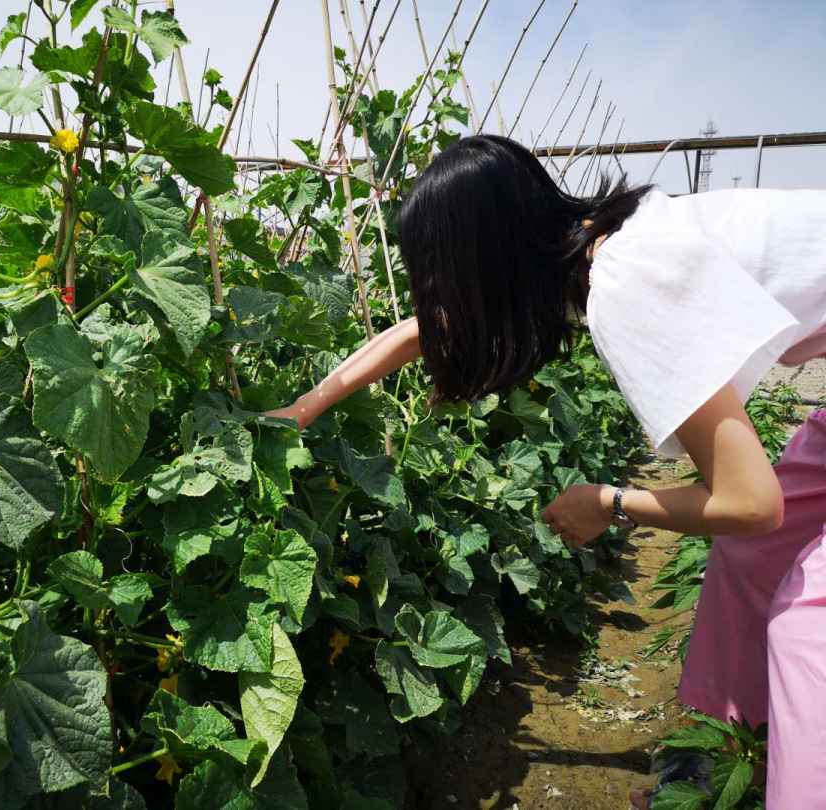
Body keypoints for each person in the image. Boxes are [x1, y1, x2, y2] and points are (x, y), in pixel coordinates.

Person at [266, 134, 826, 809]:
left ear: (486, 257)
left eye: (447, 274)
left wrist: (611, 502)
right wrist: (302, 409)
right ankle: (719, 747)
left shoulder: (628, 281)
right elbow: (421, 328)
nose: (447, 297)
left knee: (808, 626)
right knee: (753, 560)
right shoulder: (598, 242)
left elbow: (749, 500)